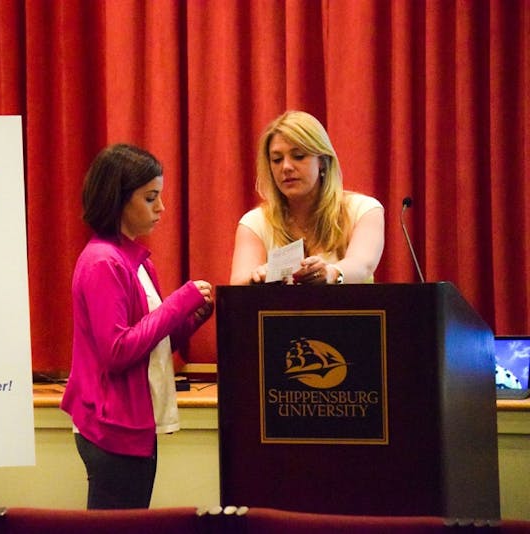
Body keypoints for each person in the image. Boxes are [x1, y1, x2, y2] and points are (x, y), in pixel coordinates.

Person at [61, 143, 214, 509]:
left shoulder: (136, 261)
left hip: (132, 422)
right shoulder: (102, 261)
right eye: (150, 198)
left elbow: (150, 342)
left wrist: (190, 319)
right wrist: (180, 302)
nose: (161, 208)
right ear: (118, 200)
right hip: (112, 425)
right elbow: (116, 351)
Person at [230, 110, 384, 285]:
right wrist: (257, 279)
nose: (286, 167)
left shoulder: (364, 210)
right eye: (277, 159)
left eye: (298, 156)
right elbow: (238, 285)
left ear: (323, 161)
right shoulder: (254, 223)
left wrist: (331, 274)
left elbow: (362, 266)